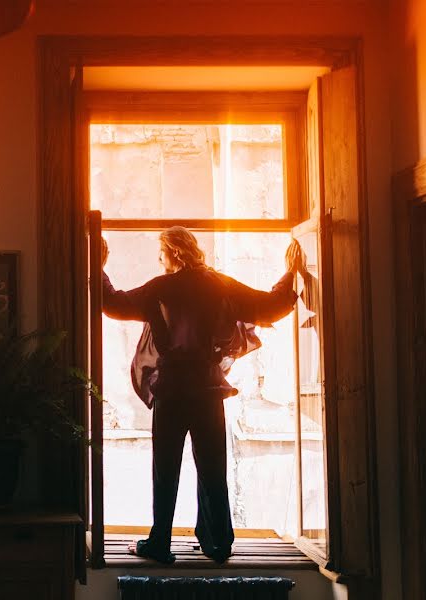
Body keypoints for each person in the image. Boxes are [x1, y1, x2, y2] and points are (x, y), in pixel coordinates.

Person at [102, 227, 300, 564]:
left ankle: (159, 542)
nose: (159, 260)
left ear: (174, 253)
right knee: (212, 467)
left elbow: (115, 305)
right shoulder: (219, 284)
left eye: (161, 253)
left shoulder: (161, 287)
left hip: (173, 388)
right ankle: (218, 542)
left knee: (165, 468)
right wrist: (290, 272)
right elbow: (269, 307)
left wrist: (98, 265)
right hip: (208, 387)